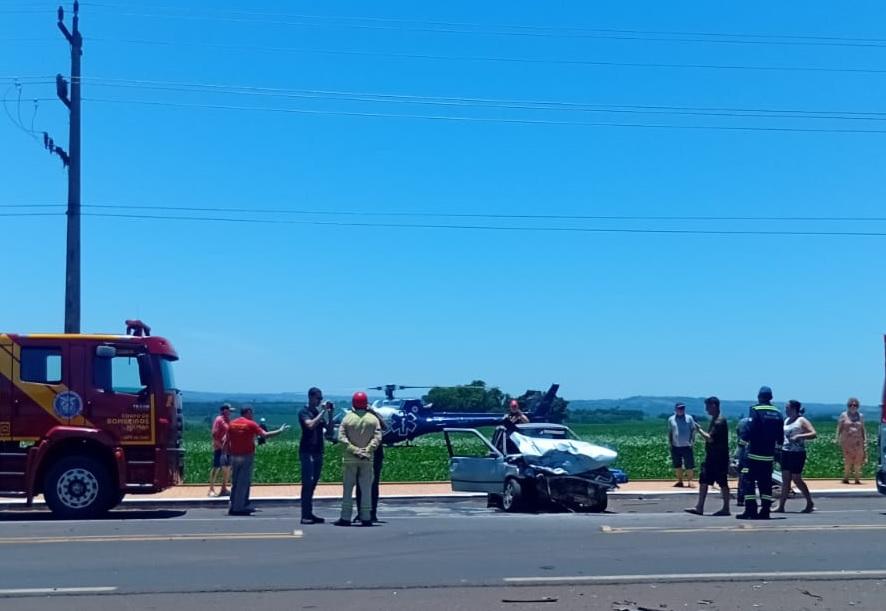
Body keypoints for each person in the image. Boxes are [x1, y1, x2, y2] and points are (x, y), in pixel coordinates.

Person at [227, 406, 289, 516]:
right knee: (243, 482)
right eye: (251, 413)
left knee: (235, 482)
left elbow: (226, 440)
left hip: (234, 455)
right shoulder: (251, 424)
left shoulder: (232, 424)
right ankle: (239, 508)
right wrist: (280, 431)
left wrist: (225, 454)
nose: (252, 415)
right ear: (247, 412)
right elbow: (265, 435)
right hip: (246, 455)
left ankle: (235, 505)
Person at [334, 391, 382, 527]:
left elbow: (341, 438)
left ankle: (345, 517)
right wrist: (367, 450)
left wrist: (354, 450)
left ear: (353, 403)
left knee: (348, 489)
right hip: (367, 459)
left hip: (350, 459)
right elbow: (378, 437)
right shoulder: (373, 419)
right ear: (366, 403)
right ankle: (366, 516)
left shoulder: (347, 418)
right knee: (366, 490)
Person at [736, 386, 783, 520]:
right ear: (771, 397)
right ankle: (765, 510)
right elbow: (780, 436)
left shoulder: (756, 410)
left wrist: (741, 445)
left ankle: (750, 510)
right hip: (768, 455)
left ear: (759, 397)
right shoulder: (778, 413)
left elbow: (750, 429)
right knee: (765, 483)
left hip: (754, 454)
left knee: (748, 481)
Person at [685, 396, 730, 516]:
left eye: (707, 407)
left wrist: (699, 430)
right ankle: (700, 506)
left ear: (713, 406)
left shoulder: (719, 421)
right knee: (704, 480)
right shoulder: (715, 419)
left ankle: (726, 508)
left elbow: (710, 438)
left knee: (722, 482)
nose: (706, 410)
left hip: (718, 458)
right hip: (712, 456)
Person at [298, 387, 334, 525]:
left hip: (318, 451)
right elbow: (310, 425)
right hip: (307, 451)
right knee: (307, 482)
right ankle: (305, 515)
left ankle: (309, 512)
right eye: (318, 398)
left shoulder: (317, 413)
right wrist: (323, 412)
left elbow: (329, 432)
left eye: (321, 398)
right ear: (311, 397)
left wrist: (330, 414)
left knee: (313, 483)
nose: (320, 401)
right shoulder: (304, 412)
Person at [775, 400, 816, 513]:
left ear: (793, 409)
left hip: (797, 453)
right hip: (785, 452)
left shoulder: (801, 420)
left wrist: (799, 436)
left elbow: (813, 433)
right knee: (785, 479)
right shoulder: (786, 420)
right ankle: (781, 506)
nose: (786, 410)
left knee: (796, 478)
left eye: (787, 408)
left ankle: (809, 502)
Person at [355, 404, 387, 523]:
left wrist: (373, 412)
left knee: (373, 484)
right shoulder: (356, 418)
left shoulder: (374, 419)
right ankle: (361, 512)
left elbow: (384, 426)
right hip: (362, 453)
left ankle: (372, 512)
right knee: (360, 484)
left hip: (375, 454)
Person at [837, 398, 867, 485]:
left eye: (855, 405)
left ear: (858, 406)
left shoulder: (861, 416)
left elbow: (863, 428)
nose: (853, 407)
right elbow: (839, 427)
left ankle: (857, 479)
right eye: (851, 405)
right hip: (847, 441)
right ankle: (846, 478)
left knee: (858, 459)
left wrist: (865, 439)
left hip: (858, 441)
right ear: (848, 406)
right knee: (848, 459)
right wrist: (837, 438)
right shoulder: (843, 415)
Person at [667, 402, 696, 488]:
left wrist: (692, 441)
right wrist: (670, 443)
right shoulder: (671, 419)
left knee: (689, 464)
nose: (681, 410)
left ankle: (690, 481)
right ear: (675, 409)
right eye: (679, 408)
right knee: (677, 464)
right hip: (675, 445)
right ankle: (680, 481)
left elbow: (693, 430)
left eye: (683, 408)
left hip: (687, 445)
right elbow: (670, 432)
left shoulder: (689, 418)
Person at [208, 403, 232, 497]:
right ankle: (211, 489)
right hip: (220, 448)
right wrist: (220, 446)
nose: (230, 412)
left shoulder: (228, 420)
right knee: (216, 467)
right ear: (224, 410)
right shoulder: (219, 420)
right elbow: (214, 434)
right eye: (229, 410)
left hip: (228, 448)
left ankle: (224, 488)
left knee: (228, 468)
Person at [734, 415, 750, 506]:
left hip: (743, 456)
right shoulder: (758, 423)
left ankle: (740, 498)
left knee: (743, 477)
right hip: (751, 456)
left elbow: (740, 441)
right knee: (759, 477)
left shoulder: (742, 422)